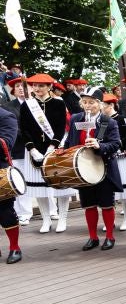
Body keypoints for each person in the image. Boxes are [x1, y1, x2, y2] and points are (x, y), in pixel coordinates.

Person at [63, 87, 122, 250]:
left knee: (106, 204)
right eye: (85, 102)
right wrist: (64, 151)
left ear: (100, 103)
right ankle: (93, 237)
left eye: (91, 102)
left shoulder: (108, 121)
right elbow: (69, 140)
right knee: (88, 204)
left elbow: (116, 144)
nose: (88, 106)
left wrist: (99, 145)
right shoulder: (76, 118)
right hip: (82, 170)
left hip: (103, 168)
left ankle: (109, 236)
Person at [18, 73, 68, 234]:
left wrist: (52, 146)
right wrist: (32, 149)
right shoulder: (27, 105)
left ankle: (62, 218)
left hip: (55, 148)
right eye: (35, 85)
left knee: (60, 185)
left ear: (49, 87)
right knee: (40, 187)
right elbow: (24, 129)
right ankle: (46, 219)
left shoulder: (58, 103)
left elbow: (61, 127)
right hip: (35, 150)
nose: (37, 88)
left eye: (41, 85)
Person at [102, 93, 126, 231]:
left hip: (122, 157)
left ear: (111, 105)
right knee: (109, 191)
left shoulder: (122, 119)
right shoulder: (103, 120)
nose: (101, 107)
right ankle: (110, 220)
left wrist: (120, 146)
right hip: (108, 158)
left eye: (103, 105)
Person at [3, 77, 32, 226]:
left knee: (40, 181)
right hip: (19, 148)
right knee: (21, 181)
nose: (21, 88)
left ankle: (51, 211)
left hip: (38, 149)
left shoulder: (37, 104)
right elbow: (13, 128)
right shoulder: (8, 107)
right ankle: (24, 213)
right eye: (18, 86)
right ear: (13, 91)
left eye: (24, 86)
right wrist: (30, 137)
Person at [0, 105, 22, 263]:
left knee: (5, 212)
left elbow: (6, 144)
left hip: (0, 171)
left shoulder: (6, 116)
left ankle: (15, 248)